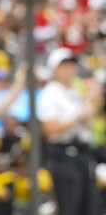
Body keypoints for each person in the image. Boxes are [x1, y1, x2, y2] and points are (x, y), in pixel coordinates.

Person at [37, 48, 100, 215]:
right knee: (69, 207)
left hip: (82, 154)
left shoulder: (75, 90)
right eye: (64, 65)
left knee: (89, 207)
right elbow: (49, 129)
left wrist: (91, 101)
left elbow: (89, 121)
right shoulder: (51, 92)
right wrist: (80, 115)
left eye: (72, 65)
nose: (70, 69)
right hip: (63, 156)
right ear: (55, 69)